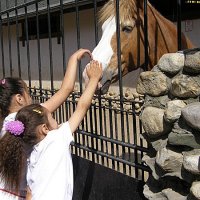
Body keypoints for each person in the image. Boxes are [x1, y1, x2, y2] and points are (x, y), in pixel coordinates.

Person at [0, 60, 102, 200]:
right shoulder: (56, 138)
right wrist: (94, 78)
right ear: (44, 128)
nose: (57, 121)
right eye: (52, 117)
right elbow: (81, 107)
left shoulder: (17, 128)